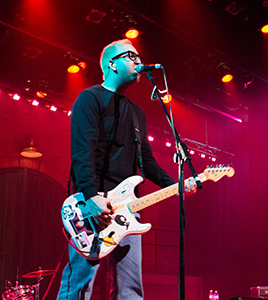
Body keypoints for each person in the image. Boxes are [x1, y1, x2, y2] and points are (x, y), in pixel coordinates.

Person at [58, 38, 196, 300]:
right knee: (79, 284)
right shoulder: (89, 98)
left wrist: (175, 185)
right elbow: (81, 150)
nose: (138, 62)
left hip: (129, 209)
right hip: (92, 206)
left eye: (138, 56)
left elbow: (147, 161)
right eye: (131, 56)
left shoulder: (137, 113)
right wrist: (90, 195)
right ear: (112, 64)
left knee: (130, 288)